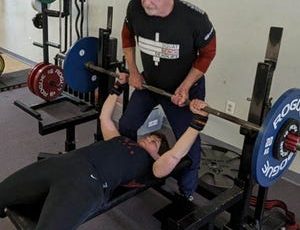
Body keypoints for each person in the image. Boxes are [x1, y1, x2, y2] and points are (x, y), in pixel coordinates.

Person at [0, 75, 209, 230]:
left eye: (155, 142)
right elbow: (105, 118)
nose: (148, 138)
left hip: (88, 184)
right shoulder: (120, 140)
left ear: (158, 154)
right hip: (63, 164)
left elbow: (175, 155)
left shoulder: (153, 166)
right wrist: (117, 87)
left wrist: (197, 123)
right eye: (150, 135)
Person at [119, 0, 216, 199]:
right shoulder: (135, 7)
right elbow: (127, 36)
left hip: (183, 91)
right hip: (151, 83)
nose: (146, 2)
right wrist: (134, 71)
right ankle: (128, 168)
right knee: (127, 124)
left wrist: (186, 85)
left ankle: (186, 193)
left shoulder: (195, 18)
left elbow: (208, 53)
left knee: (188, 144)